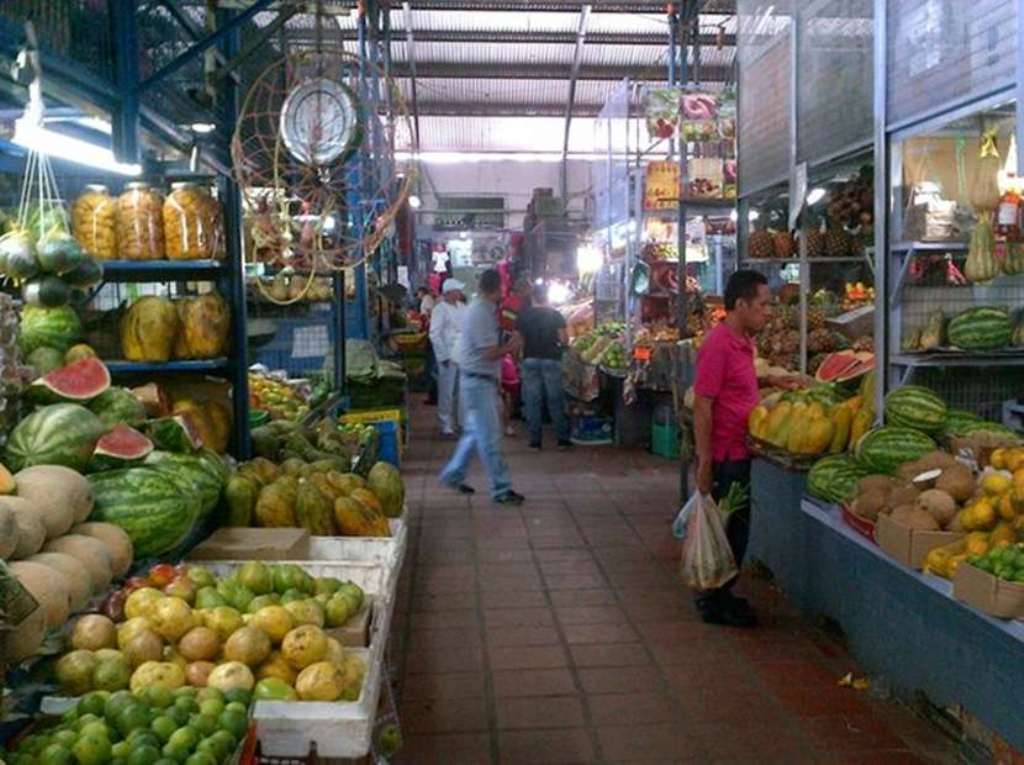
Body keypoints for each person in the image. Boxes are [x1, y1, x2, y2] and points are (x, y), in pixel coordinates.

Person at [692, 269, 797, 628]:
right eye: (763, 304)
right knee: (729, 529)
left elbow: (739, 382)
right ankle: (714, 602)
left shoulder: (743, 341)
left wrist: (769, 379)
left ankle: (721, 594)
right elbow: (703, 404)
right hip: (725, 456)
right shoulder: (718, 344)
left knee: (736, 528)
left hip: (741, 449)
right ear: (741, 304)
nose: (768, 312)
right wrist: (705, 462)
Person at [440, 269, 524, 505]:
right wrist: (511, 347)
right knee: (490, 437)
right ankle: (501, 488)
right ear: (499, 288)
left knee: (475, 433)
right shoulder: (480, 313)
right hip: (478, 381)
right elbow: (488, 352)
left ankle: (453, 475)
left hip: (480, 380)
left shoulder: (485, 311)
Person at [517, 284, 570, 450]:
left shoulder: (523, 316)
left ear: (532, 297)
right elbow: (564, 340)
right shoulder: (555, 315)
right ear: (547, 297)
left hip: (530, 359)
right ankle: (561, 440)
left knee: (532, 401)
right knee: (555, 400)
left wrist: (518, 358)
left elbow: (518, 341)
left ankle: (535, 441)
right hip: (551, 359)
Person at [429, 279, 467, 437]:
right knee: (447, 391)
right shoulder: (440, 309)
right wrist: (443, 355)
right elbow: (434, 334)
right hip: (448, 355)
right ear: (449, 292)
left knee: (462, 391)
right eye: (457, 291)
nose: (459, 293)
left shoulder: (463, 307)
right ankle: (445, 423)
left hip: (463, 353)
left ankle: (462, 421)